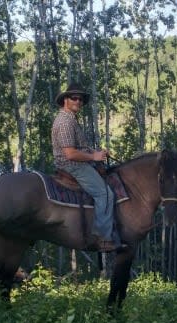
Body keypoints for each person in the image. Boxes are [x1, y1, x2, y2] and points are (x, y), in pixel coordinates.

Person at [51, 82, 122, 252]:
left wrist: (97, 153)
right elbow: (70, 154)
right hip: (72, 165)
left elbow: (79, 148)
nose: (78, 101)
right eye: (74, 98)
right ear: (65, 100)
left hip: (78, 162)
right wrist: (93, 156)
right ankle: (103, 238)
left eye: (81, 99)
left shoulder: (71, 119)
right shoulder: (65, 122)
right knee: (105, 194)